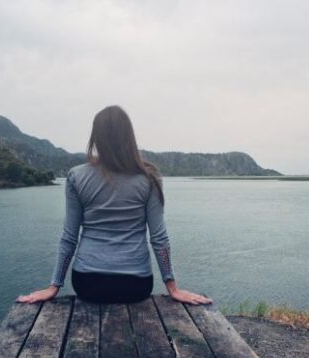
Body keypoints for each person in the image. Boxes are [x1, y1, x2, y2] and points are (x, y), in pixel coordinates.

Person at [17, 105, 213, 305]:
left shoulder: (76, 176)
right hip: (136, 285)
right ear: (129, 136)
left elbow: (69, 236)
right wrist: (172, 287)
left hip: (87, 283)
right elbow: (159, 237)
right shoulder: (149, 178)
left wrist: (54, 285)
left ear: (96, 137)